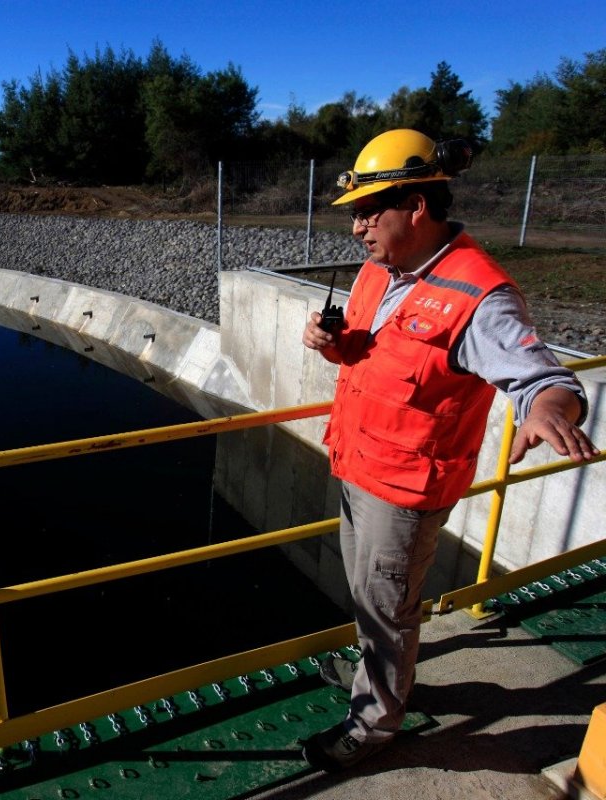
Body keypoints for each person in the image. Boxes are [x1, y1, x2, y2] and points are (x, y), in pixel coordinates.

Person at [300, 128, 599, 772]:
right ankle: (383, 679)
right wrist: (332, 343)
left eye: (367, 212)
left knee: (388, 608)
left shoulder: (480, 295)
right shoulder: (383, 270)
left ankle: (375, 725)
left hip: (404, 490)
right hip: (356, 462)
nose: (357, 229)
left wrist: (547, 410)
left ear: (416, 207)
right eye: (355, 214)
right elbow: (367, 347)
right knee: (368, 596)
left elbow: (544, 378)